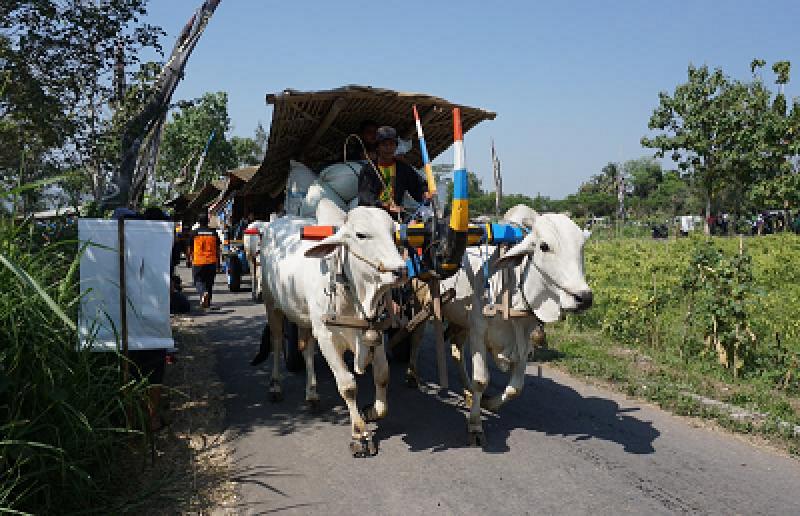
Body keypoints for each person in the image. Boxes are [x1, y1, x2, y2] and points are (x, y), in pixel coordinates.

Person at [357, 125, 427, 214]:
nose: (388, 148)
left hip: (394, 215)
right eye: (384, 145)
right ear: (377, 147)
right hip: (371, 213)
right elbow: (365, 197)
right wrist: (386, 206)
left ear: (395, 146)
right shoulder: (368, 170)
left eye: (391, 144)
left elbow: (418, 186)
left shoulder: (403, 169)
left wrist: (425, 193)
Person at [191, 213, 220, 309]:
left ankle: (203, 293)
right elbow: (218, 249)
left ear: (199, 222)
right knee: (209, 283)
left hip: (198, 261)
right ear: (208, 221)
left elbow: (189, 247)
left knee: (198, 280)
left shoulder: (194, 233)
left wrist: (189, 258)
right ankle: (208, 302)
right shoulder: (214, 233)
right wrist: (218, 263)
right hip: (211, 261)